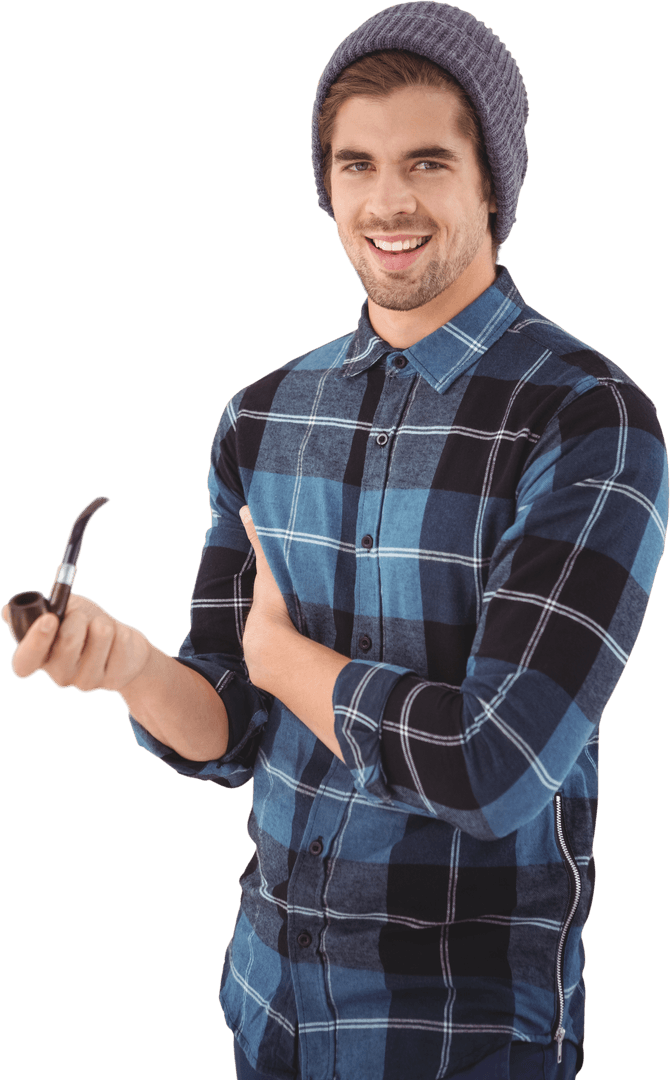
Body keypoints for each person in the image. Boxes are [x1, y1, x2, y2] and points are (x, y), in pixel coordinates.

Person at [3, 3, 668, 1078]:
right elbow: (229, 723)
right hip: (268, 1006)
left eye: (426, 161)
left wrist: (288, 662)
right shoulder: (261, 417)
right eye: (354, 164)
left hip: (459, 1037)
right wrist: (130, 669)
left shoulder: (586, 420)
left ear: (490, 182)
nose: (386, 200)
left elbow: (494, 769)